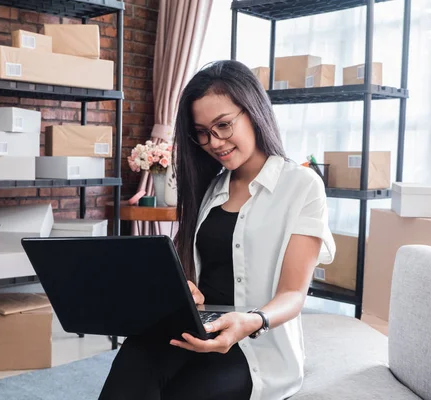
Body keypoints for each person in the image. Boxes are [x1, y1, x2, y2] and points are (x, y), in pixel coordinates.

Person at [98, 60, 335, 400]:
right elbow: (201, 268)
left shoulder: (301, 185)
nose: (214, 142)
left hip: (254, 342)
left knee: (182, 392)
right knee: (134, 361)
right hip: (198, 325)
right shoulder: (212, 187)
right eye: (202, 132)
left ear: (253, 111)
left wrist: (250, 321)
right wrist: (184, 290)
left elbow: (294, 294)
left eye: (223, 125)